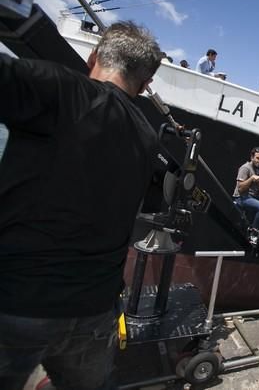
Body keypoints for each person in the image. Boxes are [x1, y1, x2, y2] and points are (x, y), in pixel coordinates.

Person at [0, 21, 162, 390]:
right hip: (94, 312)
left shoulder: (63, 90)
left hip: (17, 302)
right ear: (145, 83)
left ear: (93, 57)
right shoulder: (148, 137)